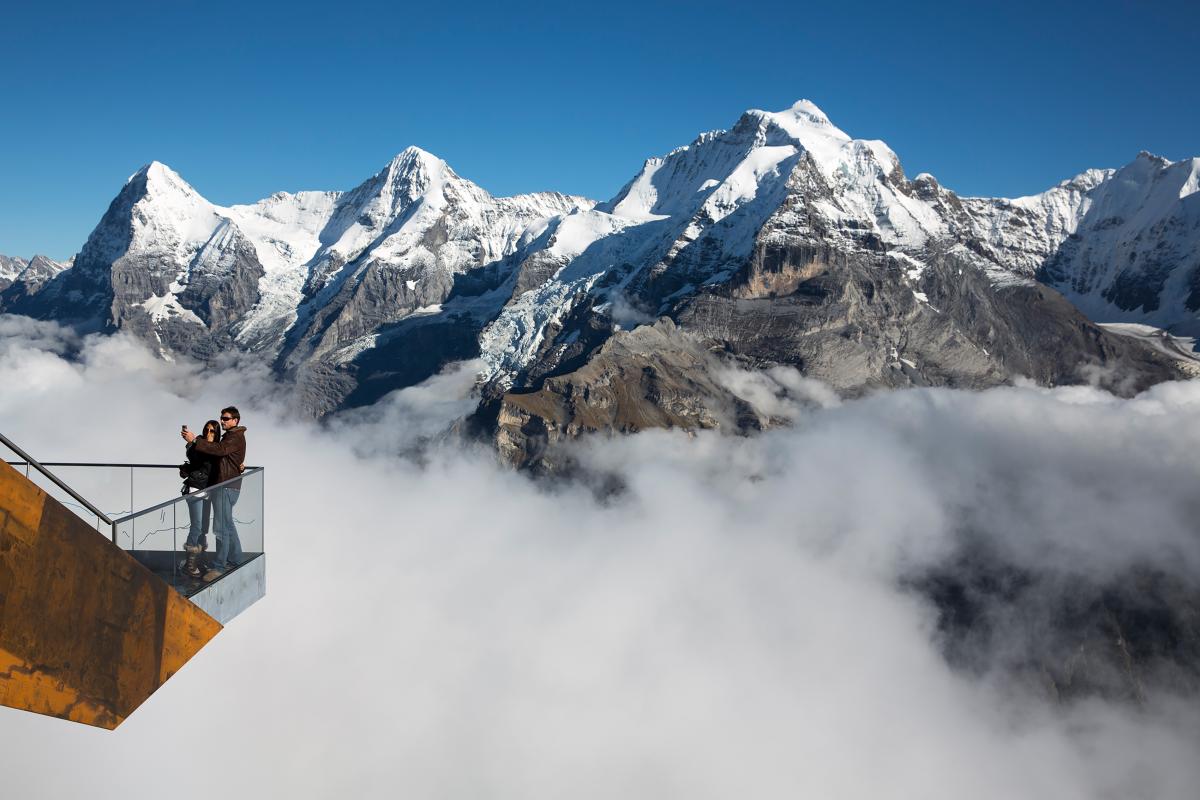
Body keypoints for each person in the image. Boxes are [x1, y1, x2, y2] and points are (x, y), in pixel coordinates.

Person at [183, 406, 247, 582]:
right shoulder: (231, 437)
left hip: (225, 487)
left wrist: (195, 440)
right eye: (222, 418)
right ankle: (235, 559)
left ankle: (219, 567)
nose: (222, 421)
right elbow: (222, 456)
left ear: (236, 420)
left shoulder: (234, 437)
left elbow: (220, 451)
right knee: (227, 525)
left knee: (221, 528)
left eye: (226, 418)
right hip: (227, 486)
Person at [181, 419, 220, 579]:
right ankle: (190, 564)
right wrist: (191, 443)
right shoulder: (200, 443)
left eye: (212, 431)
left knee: (203, 527)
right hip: (195, 489)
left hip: (208, 491)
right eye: (207, 430)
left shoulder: (216, 447)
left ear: (217, 433)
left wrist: (240, 466)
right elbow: (195, 458)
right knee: (197, 526)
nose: (208, 433)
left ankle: (200, 560)